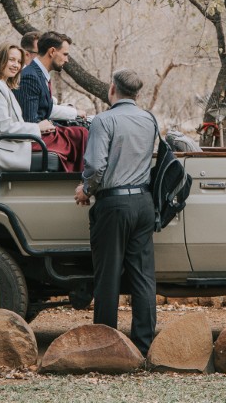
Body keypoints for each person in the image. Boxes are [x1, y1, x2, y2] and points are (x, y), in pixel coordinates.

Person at [74, 68, 158, 355]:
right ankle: (144, 346)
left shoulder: (104, 120)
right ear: (137, 94)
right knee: (143, 277)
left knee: (108, 275)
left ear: (112, 89)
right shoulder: (149, 119)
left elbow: (96, 167)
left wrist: (86, 189)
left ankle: (106, 345)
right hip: (145, 203)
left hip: (114, 205)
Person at [14, 31, 88, 172]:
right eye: (65, 54)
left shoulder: (40, 74)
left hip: (42, 132)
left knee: (82, 131)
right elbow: (29, 122)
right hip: (30, 139)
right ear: (52, 51)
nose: (67, 60)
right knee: (81, 134)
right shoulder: (30, 76)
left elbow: (45, 109)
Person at [0, 42, 57, 171]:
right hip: (7, 146)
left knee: (70, 136)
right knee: (71, 140)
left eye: (19, 62)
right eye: (11, 60)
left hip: (15, 141)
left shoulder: (2, 85)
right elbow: (4, 127)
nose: (16, 65)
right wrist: (37, 127)